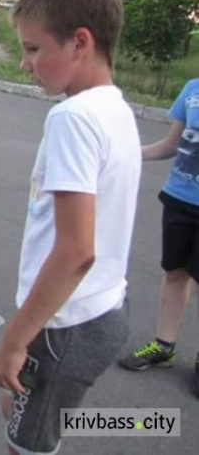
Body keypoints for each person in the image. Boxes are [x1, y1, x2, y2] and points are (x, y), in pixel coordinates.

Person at [0, 0, 141, 455]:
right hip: (104, 310)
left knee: (27, 443)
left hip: (65, 325)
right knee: (25, 411)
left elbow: (76, 251)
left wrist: (14, 340)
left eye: (34, 49)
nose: (24, 63)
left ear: (80, 43)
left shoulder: (72, 118)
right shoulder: (113, 106)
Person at [118, 78, 199, 397]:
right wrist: (126, 153)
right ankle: (164, 346)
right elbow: (171, 145)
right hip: (179, 197)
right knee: (175, 274)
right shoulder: (192, 89)